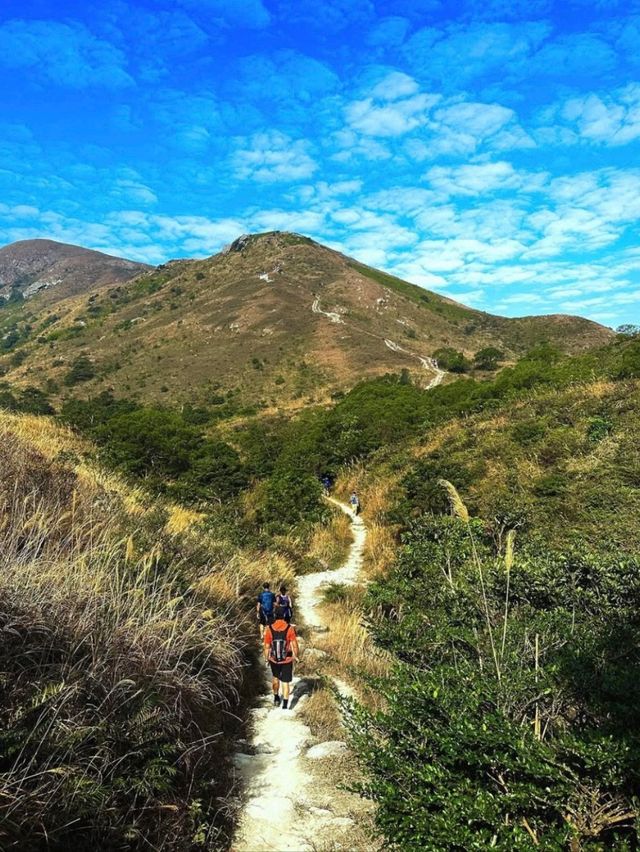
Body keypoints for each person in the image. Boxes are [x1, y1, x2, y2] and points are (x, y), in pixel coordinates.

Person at [264, 605, 299, 710]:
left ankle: (276, 697)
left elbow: (266, 646)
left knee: (275, 678)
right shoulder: (290, 628)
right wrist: (295, 656)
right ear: (284, 615)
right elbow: (294, 645)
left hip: (274, 659)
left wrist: (266, 658)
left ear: (275, 615)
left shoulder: (269, 629)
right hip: (287, 659)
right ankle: (285, 705)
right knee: (285, 682)